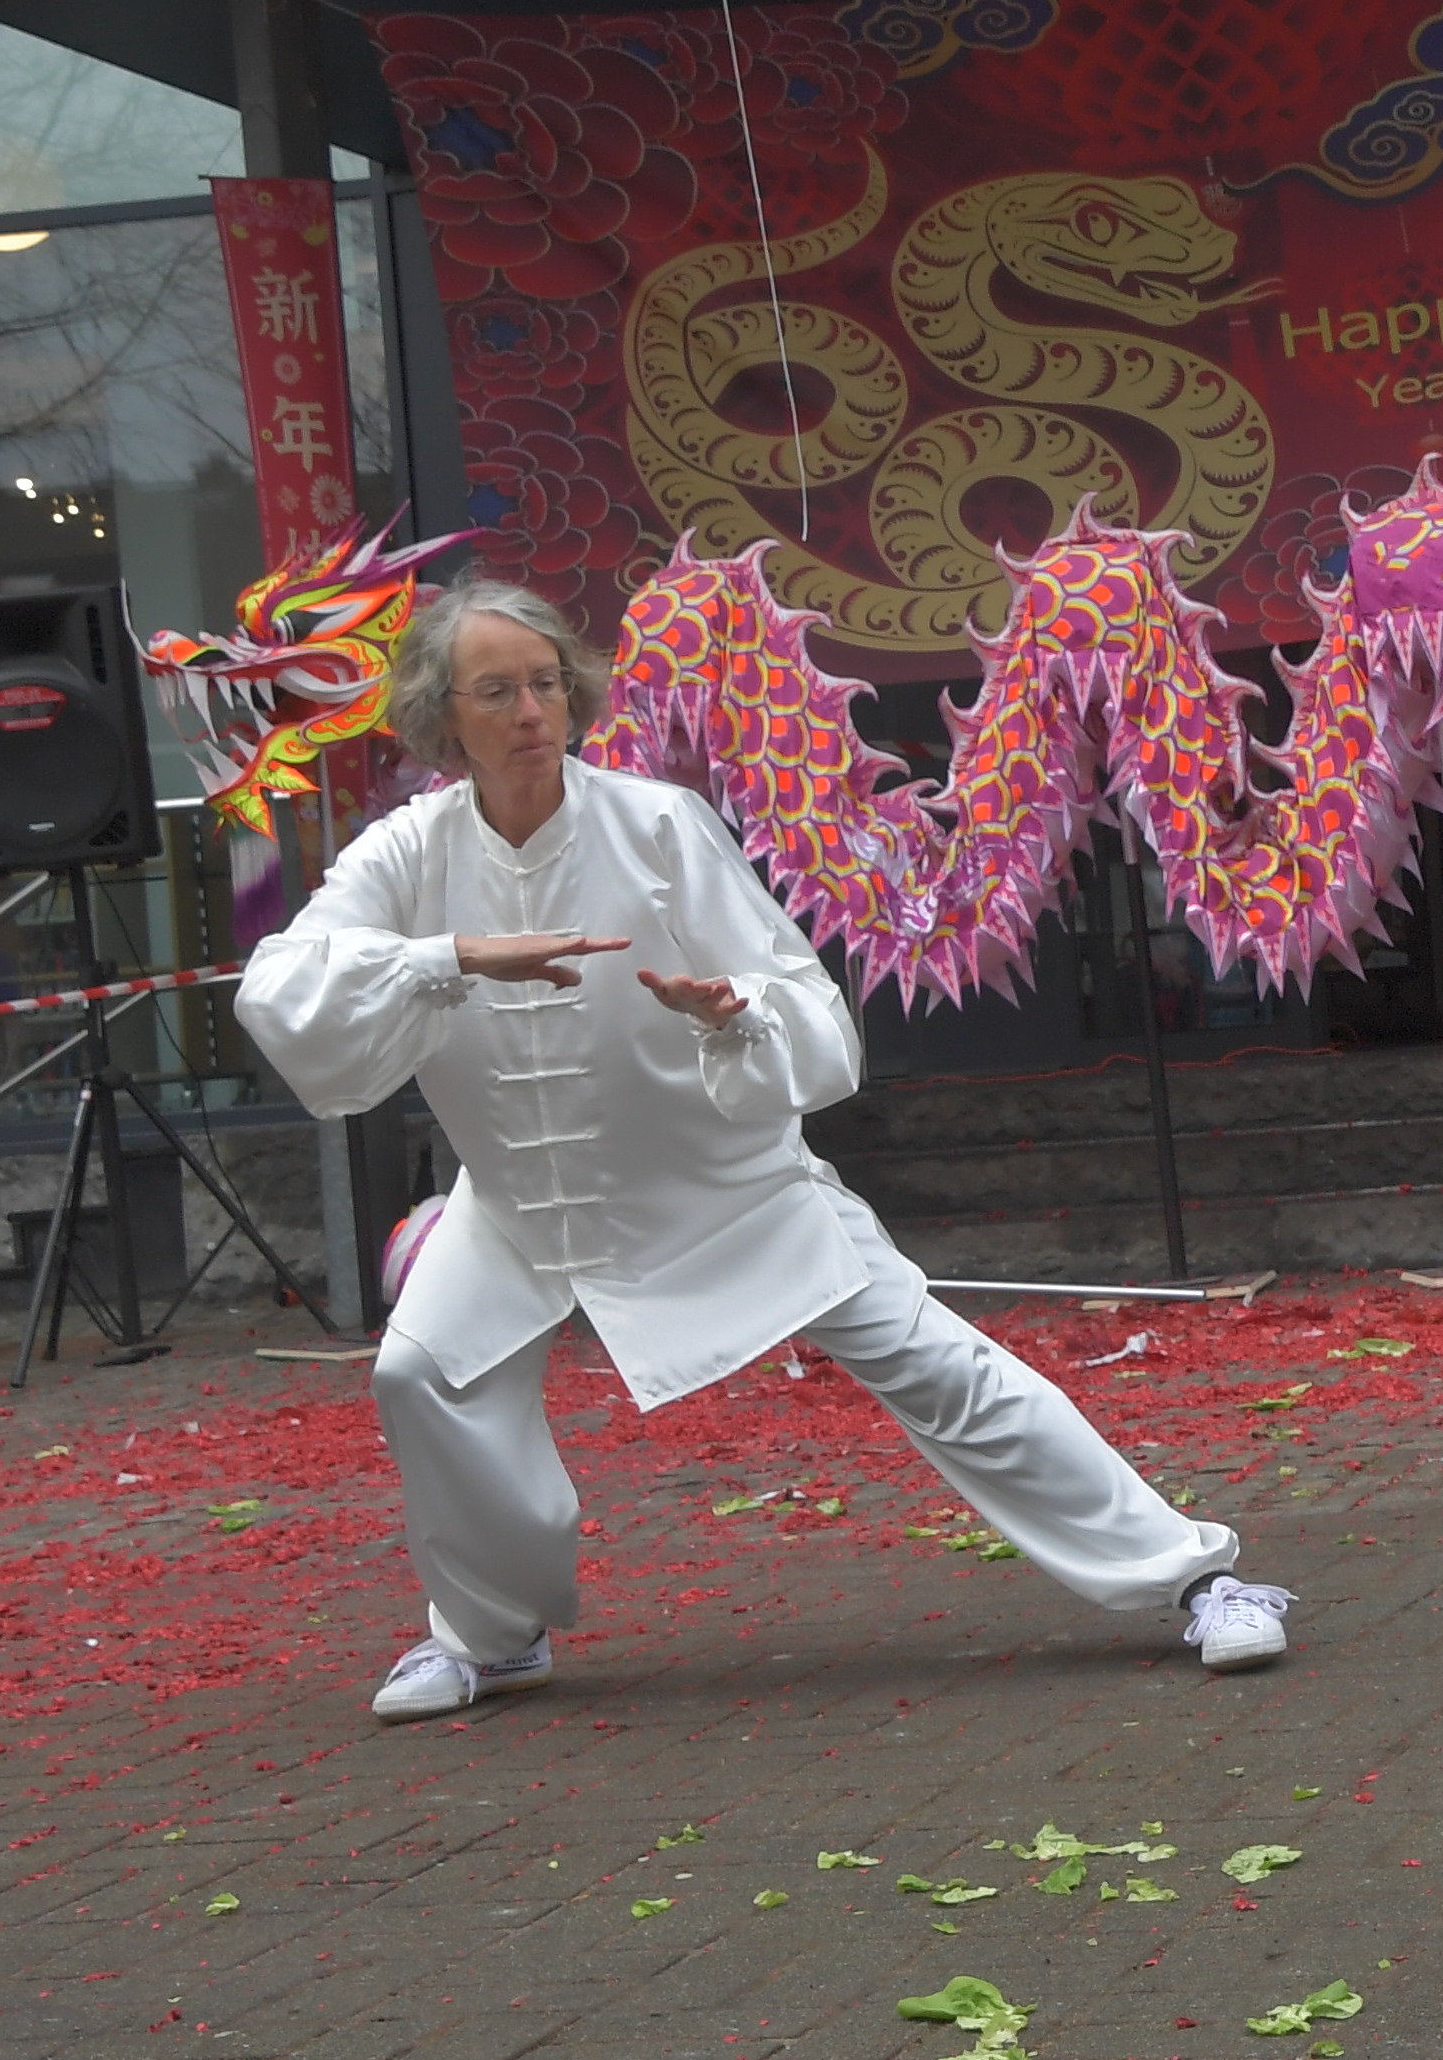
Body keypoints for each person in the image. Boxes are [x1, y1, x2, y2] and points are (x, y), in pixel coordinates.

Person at [238, 576, 1296, 1723]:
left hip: (730, 1190)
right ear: (445, 716)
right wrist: (451, 956)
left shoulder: (656, 823)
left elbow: (804, 1003)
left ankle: (1200, 1575)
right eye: (498, 689)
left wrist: (730, 1010)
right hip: (518, 1207)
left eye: (545, 681)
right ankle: (490, 1635)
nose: (532, 709)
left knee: (941, 1364)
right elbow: (284, 988)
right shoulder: (407, 852)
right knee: (420, 1373)